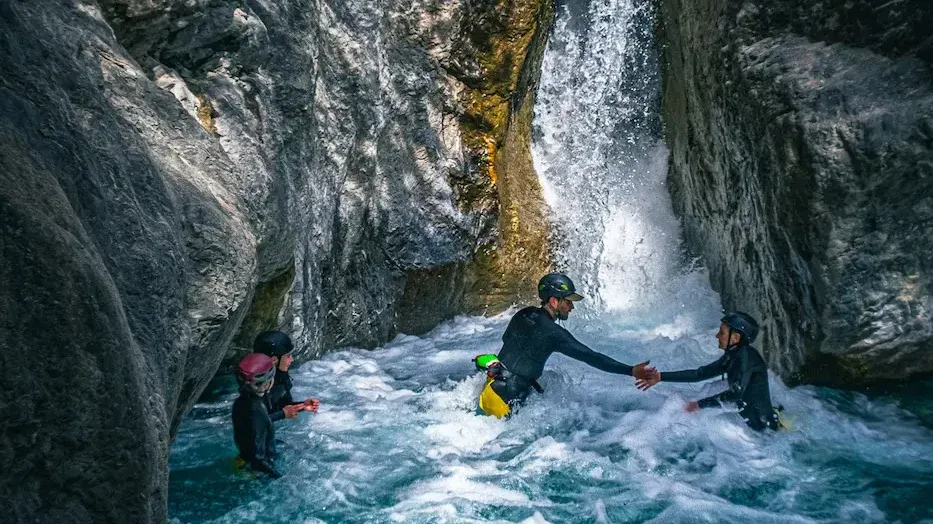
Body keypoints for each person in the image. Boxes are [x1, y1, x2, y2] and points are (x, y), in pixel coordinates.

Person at [477, 273, 659, 418]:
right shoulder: (554, 333)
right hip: (504, 402)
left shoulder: (523, 314)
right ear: (554, 301)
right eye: (567, 301)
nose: (571, 307)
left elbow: (507, 340)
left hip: (491, 387)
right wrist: (630, 370)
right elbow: (592, 357)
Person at [635, 311, 780, 431]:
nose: (717, 336)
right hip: (752, 424)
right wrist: (660, 376)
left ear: (735, 337)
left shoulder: (746, 356)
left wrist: (699, 404)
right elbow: (700, 374)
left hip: (763, 431)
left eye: (722, 332)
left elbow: (736, 393)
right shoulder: (734, 354)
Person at [232, 353, 282, 477]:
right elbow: (258, 459)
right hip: (256, 470)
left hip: (242, 459)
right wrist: (279, 477)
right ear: (266, 384)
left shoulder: (240, 402)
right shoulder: (257, 412)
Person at [253, 330, 320, 421]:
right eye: (288, 356)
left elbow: (282, 405)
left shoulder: (279, 375)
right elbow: (252, 422)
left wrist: (303, 406)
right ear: (274, 360)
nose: (292, 360)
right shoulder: (255, 384)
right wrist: (283, 414)